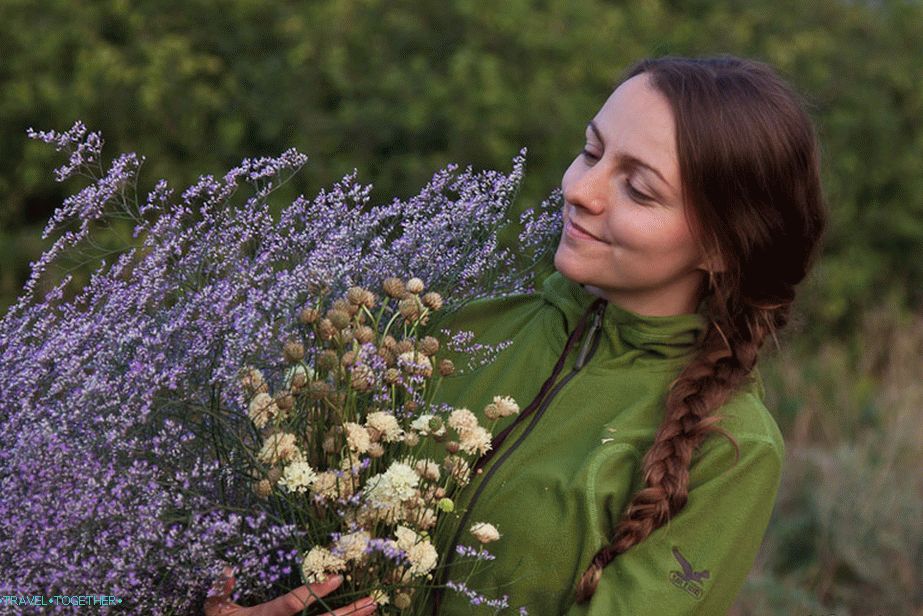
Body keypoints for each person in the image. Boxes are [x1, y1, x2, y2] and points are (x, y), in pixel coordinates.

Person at [207, 54, 826, 615]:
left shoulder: (731, 450)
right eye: (590, 151)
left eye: (638, 188)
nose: (577, 189)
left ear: (722, 246)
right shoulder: (448, 333)